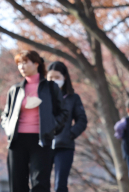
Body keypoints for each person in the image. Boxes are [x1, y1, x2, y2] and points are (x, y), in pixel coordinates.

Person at [1, 50, 68, 192]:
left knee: (40, 184)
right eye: (19, 64)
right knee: (18, 184)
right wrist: (9, 129)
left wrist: (51, 127)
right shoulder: (15, 89)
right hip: (17, 140)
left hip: (41, 140)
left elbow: (63, 113)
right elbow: (5, 115)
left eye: (25, 63)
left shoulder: (51, 87)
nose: (21, 67)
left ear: (36, 63)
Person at [47, 61, 88, 192]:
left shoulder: (73, 98)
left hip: (64, 146)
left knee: (60, 185)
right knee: (40, 182)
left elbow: (82, 120)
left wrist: (70, 134)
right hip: (44, 144)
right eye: (50, 77)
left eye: (57, 77)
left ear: (65, 77)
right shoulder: (42, 96)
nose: (53, 80)